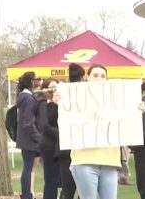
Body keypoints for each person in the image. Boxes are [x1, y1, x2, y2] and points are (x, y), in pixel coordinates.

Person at [69, 63, 145, 199]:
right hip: (84, 159)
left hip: (109, 161)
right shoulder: (76, 97)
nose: (99, 78)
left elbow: (126, 127)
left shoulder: (116, 100)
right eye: (95, 75)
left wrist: (137, 111)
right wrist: (59, 102)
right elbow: (66, 121)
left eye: (103, 76)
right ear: (87, 77)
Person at [58, 63, 85, 199]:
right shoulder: (86, 94)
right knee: (81, 189)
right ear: (82, 76)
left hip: (67, 147)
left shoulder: (61, 94)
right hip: (77, 147)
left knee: (68, 189)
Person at [16, 71, 41, 199]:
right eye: (38, 79)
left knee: (28, 168)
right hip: (29, 140)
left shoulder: (24, 97)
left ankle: (26, 194)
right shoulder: (28, 99)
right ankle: (26, 195)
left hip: (25, 139)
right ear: (32, 82)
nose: (40, 81)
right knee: (28, 168)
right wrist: (39, 138)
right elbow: (28, 123)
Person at [38, 78, 60, 199]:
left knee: (62, 180)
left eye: (57, 87)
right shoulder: (43, 105)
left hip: (60, 146)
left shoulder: (62, 104)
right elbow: (45, 126)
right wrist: (53, 104)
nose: (55, 90)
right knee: (50, 180)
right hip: (49, 146)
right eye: (52, 87)